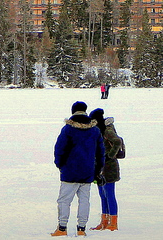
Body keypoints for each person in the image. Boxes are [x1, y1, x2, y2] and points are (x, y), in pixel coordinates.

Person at [52, 101, 104, 237]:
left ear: (73, 111)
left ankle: (62, 228)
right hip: (87, 171)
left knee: (64, 201)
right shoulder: (95, 130)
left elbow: (59, 149)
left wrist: (60, 165)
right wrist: (97, 170)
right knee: (84, 200)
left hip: (70, 171)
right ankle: (81, 228)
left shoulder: (68, 129)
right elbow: (100, 152)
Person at [88, 109, 122, 232]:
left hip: (109, 168)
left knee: (109, 194)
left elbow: (117, 141)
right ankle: (104, 222)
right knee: (103, 195)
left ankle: (113, 223)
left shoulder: (107, 130)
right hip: (100, 168)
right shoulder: (97, 131)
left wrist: (110, 155)